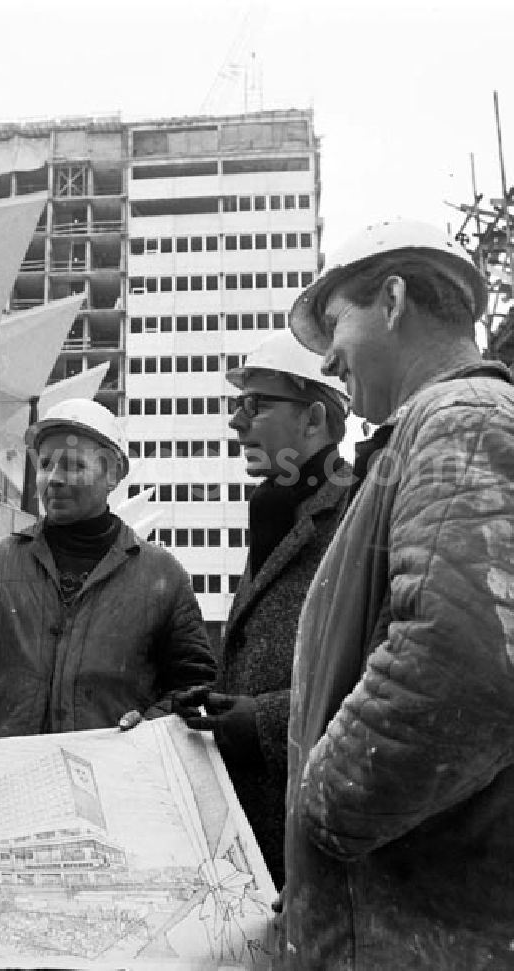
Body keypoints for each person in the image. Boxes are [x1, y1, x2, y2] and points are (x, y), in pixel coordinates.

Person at [279, 218, 514, 969]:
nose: (325, 356)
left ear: (392, 297)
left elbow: (462, 662)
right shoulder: (430, 432)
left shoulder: (461, 423)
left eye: (336, 321)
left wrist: (323, 810)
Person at [0, 398, 216, 749]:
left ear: (113, 476)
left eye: (74, 466)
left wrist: (152, 726)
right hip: (8, 779)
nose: (54, 479)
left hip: (112, 783)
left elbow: (192, 685)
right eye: (46, 464)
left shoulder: (162, 577)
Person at [172, 331, 351, 889]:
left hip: (325, 832)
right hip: (267, 832)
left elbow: (394, 672)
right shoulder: (277, 511)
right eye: (236, 406)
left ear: (314, 420)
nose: (236, 422)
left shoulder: (358, 516)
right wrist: (224, 697)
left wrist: (266, 721)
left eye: (256, 405)